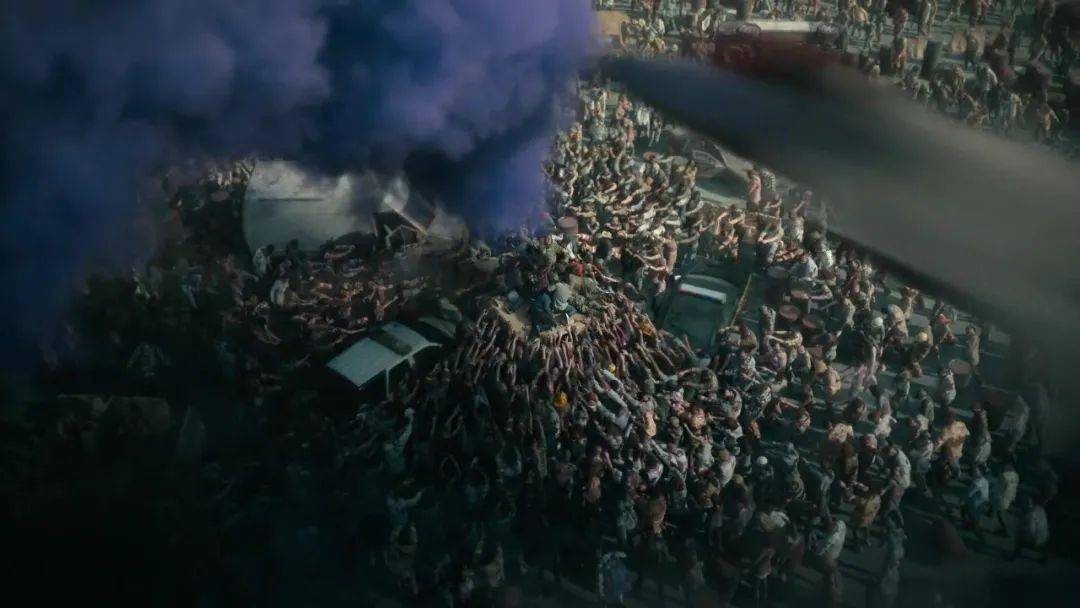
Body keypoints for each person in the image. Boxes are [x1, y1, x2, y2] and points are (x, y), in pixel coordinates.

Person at [1010, 496, 1049, 563]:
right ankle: (1044, 558)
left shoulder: (1031, 512)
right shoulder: (1040, 510)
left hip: (1033, 536)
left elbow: (1030, 527)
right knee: (1040, 546)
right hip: (1042, 536)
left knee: (1019, 540)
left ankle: (1014, 556)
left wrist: (1025, 533)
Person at [989, 460, 1020, 536]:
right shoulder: (1016, 475)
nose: (1004, 467)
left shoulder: (1004, 475)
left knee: (1000, 513)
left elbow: (1000, 486)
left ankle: (1005, 530)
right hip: (1010, 496)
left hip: (1002, 497)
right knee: (1000, 511)